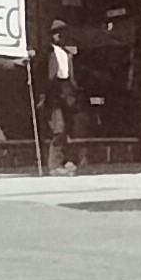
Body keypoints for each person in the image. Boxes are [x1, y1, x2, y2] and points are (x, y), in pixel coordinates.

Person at [42, 19, 81, 175]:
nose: (59, 35)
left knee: (68, 128)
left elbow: (71, 74)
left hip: (67, 90)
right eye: (56, 33)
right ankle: (54, 164)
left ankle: (66, 160)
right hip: (53, 90)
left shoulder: (67, 52)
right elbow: (41, 71)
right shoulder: (47, 52)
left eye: (61, 32)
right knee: (58, 128)